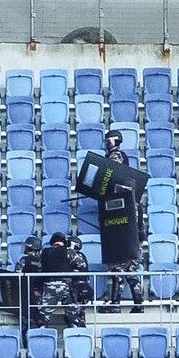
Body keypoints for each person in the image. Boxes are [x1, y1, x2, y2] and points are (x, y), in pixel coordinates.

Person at [97, 129, 147, 314]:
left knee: (118, 269)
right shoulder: (133, 202)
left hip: (120, 229)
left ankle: (116, 304)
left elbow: (112, 177)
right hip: (130, 233)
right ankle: (138, 304)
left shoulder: (115, 157)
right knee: (130, 270)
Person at [37, 232, 86, 328]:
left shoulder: (44, 252)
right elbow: (81, 265)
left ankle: (40, 332)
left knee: (42, 318)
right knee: (73, 315)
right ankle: (74, 330)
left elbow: (39, 269)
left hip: (49, 286)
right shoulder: (69, 251)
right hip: (66, 286)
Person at [13, 236, 43, 334]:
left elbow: (16, 276)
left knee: (26, 320)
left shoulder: (23, 261)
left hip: (26, 294)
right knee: (38, 320)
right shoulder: (42, 261)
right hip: (40, 294)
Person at [68, 236, 92, 328]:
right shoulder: (82, 255)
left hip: (76, 288)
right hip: (83, 287)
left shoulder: (72, 256)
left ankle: (77, 326)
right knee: (80, 311)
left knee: (73, 314)